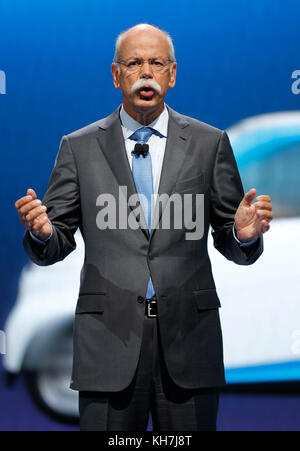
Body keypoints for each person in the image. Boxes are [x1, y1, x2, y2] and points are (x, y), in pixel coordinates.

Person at [15, 23, 273, 431]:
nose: (146, 73)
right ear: (116, 74)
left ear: (173, 73)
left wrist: (241, 234)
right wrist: (44, 233)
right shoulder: (78, 148)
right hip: (108, 339)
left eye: (157, 62)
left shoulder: (210, 144)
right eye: (134, 63)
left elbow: (228, 235)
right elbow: (57, 240)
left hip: (189, 340)